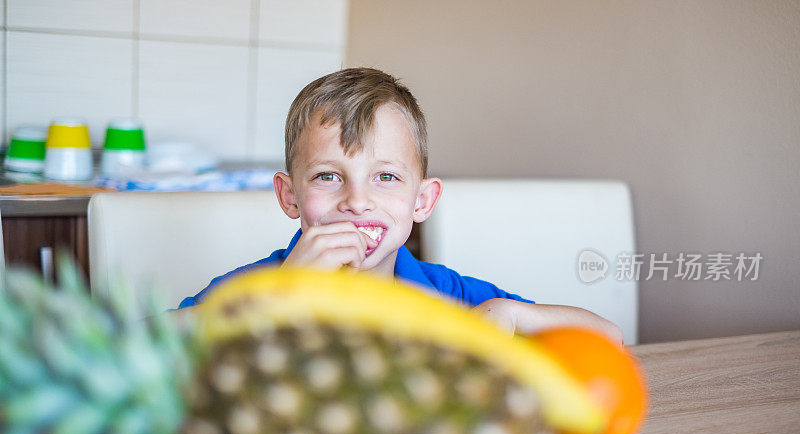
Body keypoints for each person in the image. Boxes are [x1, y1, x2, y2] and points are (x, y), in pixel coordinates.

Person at [177, 67, 622, 344]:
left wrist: (510, 314)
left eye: (385, 177)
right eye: (328, 176)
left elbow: (609, 335)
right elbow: (132, 347)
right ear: (289, 195)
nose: (357, 201)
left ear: (422, 201)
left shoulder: (446, 295)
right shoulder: (257, 289)